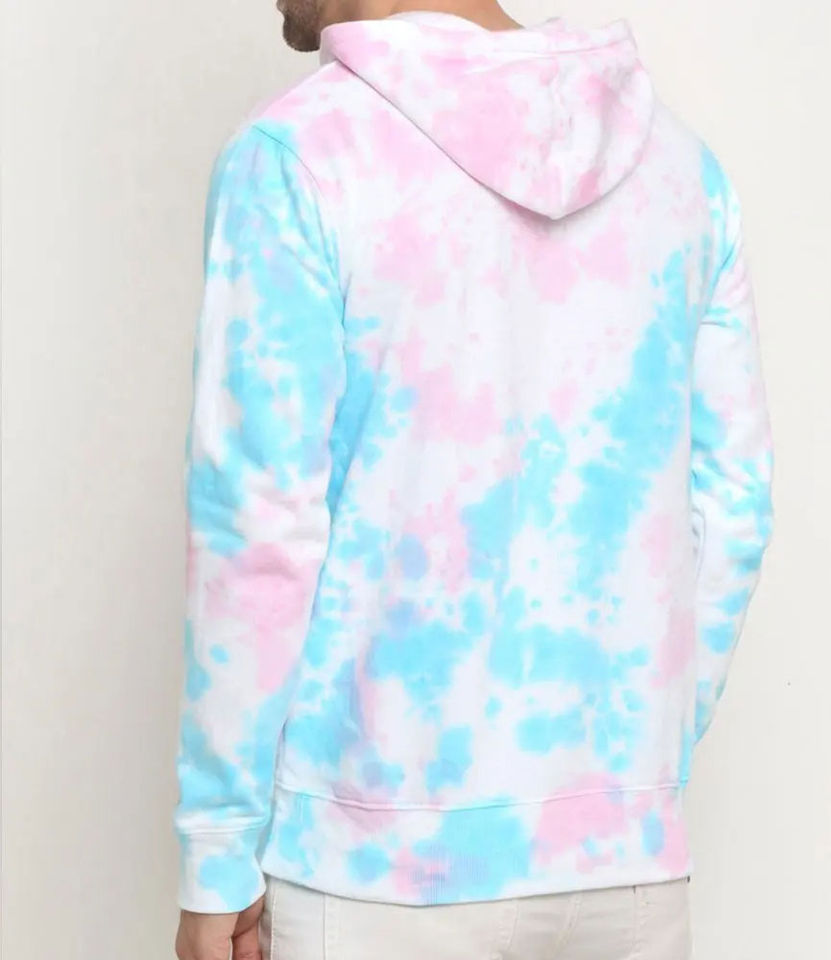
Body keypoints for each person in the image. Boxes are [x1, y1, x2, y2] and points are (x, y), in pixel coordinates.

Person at [173, 1, 775, 957]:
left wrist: (218, 853)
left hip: (374, 873)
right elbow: (735, 503)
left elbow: (258, 529)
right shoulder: (682, 172)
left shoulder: (298, 157)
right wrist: (625, 776)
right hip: (626, 869)